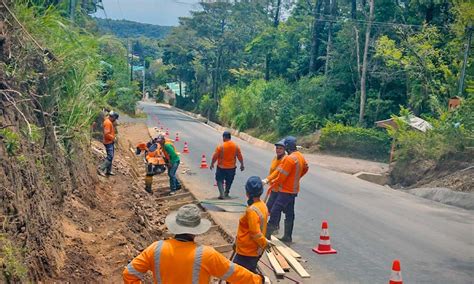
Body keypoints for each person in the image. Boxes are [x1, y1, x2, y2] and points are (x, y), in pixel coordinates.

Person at [123, 204, 265, 284]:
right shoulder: (206, 255)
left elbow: (128, 274)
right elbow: (235, 273)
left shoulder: (156, 249)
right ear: (196, 231)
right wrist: (258, 280)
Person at [264, 136, 308, 244]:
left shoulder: (289, 159)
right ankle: (288, 236)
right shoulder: (300, 156)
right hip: (293, 190)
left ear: (287, 147)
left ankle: (268, 234)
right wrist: (297, 177)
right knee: (289, 213)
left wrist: (273, 183)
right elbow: (306, 167)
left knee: (275, 210)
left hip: (286, 191)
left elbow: (282, 176)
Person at [233, 176, 269, 273]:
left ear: (247, 192)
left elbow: (254, 232)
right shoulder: (262, 205)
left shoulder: (252, 211)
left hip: (247, 251)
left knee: (235, 277)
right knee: (249, 273)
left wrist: (264, 243)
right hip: (253, 250)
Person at [210, 131, 244, 199]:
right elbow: (240, 156)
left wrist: (212, 163)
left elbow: (215, 156)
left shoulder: (221, 146)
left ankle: (222, 193)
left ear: (224, 137)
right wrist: (242, 164)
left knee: (219, 180)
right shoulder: (236, 146)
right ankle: (226, 192)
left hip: (221, 167)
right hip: (231, 168)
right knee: (229, 181)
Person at [263, 139, 287, 206]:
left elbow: (277, 171)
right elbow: (272, 170)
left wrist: (267, 179)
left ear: (284, 149)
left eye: (280, 148)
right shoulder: (275, 158)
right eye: (277, 148)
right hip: (273, 186)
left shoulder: (285, 159)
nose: (278, 150)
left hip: (279, 188)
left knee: (271, 208)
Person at [98, 111, 119, 176]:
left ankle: (108, 171)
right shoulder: (107, 123)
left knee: (111, 156)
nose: (115, 120)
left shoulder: (108, 122)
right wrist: (113, 138)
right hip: (108, 142)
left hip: (110, 141)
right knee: (110, 156)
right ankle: (101, 169)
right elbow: (106, 134)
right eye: (115, 119)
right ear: (113, 117)